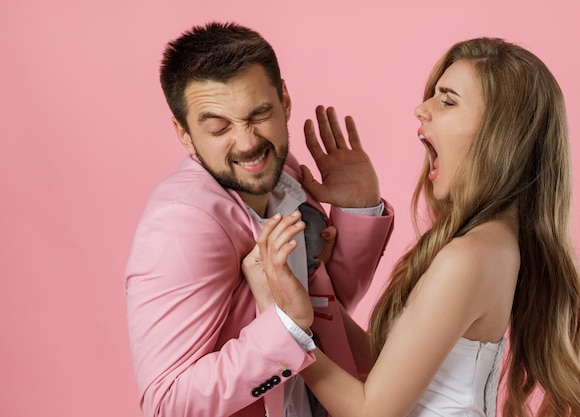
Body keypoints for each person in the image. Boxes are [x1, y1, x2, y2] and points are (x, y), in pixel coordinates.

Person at [244, 37, 580, 417]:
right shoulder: (494, 244)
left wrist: (282, 325)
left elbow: (370, 411)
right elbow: (392, 373)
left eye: (447, 100)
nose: (421, 109)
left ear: (499, 133)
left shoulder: (470, 256)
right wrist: (315, 285)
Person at [124, 22, 394, 417]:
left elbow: (326, 310)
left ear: (284, 99)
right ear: (184, 133)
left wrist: (358, 209)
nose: (248, 142)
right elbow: (167, 404)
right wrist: (285, 326)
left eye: (259, 114)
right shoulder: (181, 224)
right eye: (219, 128)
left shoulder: (284, 174)